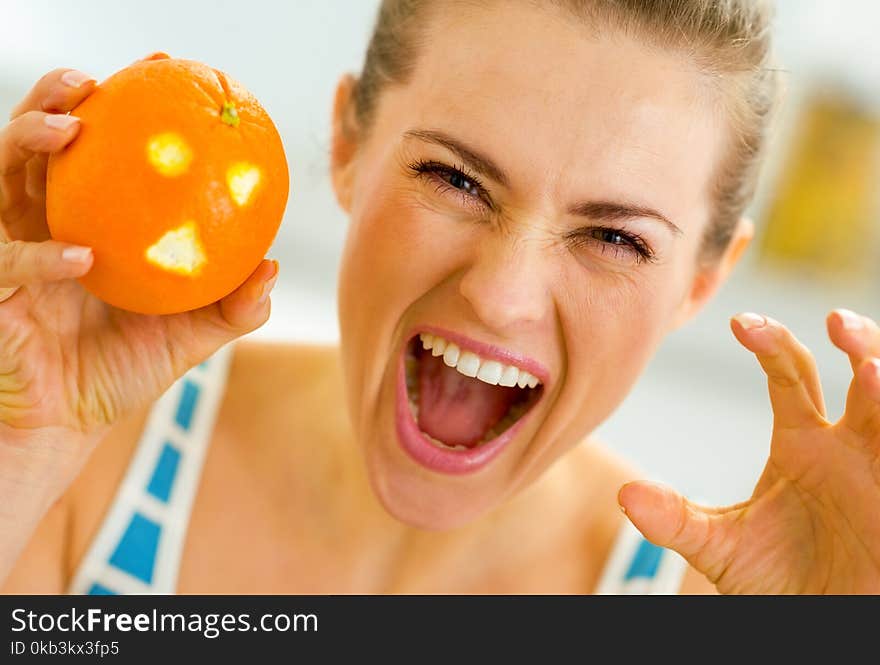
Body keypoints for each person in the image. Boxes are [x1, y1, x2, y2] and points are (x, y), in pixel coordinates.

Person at [1, 0, 878, 595]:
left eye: (615, 236)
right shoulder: (83, 458)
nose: (501, 296)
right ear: (346, 144)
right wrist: (21, 444)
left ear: (703, 281)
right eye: (455, 179)